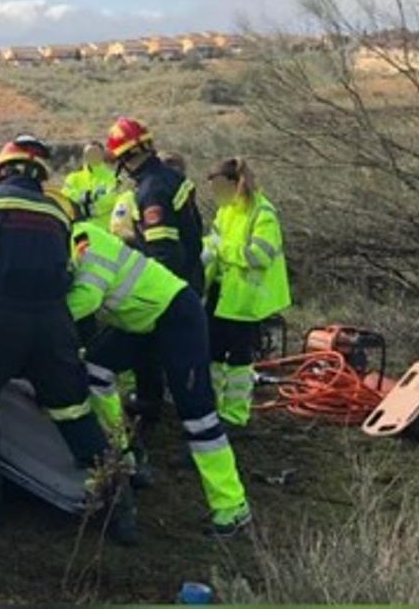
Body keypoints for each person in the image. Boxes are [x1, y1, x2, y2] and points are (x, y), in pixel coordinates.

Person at [0, 134, 135, 545]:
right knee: (73, 412)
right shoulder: (57, 213)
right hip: (54, 323)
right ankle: (120, 506)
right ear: (39, 177)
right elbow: (67, 273)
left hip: (0, 319)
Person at [64, 214, 252, 536]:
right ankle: (122, 456)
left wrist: (40, 322)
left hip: (176, 315)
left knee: (198, 416)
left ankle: (232, 506)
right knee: (96, 368)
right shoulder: (71, 241)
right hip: (140, 322)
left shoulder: (85, 244)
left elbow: (87, 298)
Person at [105, 116, 205, 451]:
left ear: (124, 159)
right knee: (151, 350)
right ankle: (151, 402)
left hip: (171, 287)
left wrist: (149, 291)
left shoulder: (152, 191)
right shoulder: (170, 178)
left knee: (156, 348)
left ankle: (164, 414)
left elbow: (165, 252)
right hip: (188, 281)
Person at [203, 156, 291, 426]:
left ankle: (235, 413)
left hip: (246, 300)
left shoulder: (262, 213)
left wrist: (222, 250)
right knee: (213, 354)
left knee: (239, 360)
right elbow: (211, 245)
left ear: (233, 183)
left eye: (217, 186)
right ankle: (212, 406)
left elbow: (259, 256)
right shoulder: (225, 211)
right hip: (221, 295)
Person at [62, 142, 119, 230]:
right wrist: (89, 197)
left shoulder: (113, 178)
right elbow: (65, 197)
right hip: (80, 231)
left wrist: (83, 207)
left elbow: (111, 201)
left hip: (105, 232)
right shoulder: (73, 178)